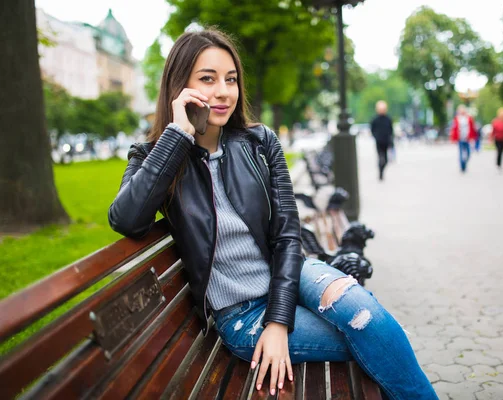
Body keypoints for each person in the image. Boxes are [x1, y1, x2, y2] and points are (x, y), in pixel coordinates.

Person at [108, 29, 437, 399]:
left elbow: (286, 234)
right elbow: (126, 219)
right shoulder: (154, 153)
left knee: (369, 319)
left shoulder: (259, 142)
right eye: (207, 79)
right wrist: (178, 134)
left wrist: (279, 321)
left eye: (230, 79)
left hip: (294, 274)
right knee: (378, 335)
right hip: (242, 313)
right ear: (179, 85)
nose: (223, 91)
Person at [370, 100, 394, 181]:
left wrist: (391, 140)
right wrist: (376, 136)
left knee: (386, 160)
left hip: (386, 141)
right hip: (379, 141)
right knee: (380, 157)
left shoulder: (388, 119)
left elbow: (391, 130)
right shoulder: (375, 119)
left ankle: (381, 171)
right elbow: (372, 129)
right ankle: (380, 173)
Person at [449, 105, 477, 173]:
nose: (462, 111)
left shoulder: (469, 118)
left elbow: (473, 128)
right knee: (461, 153)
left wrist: (473, 138)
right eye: (460, 110)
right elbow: (454, 129)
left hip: (467, 139)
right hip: (460, 139)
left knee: (468, 153)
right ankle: (462, 166)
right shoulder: (456, 119)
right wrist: (453, 139)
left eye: (463, 110)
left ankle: (465, 162)